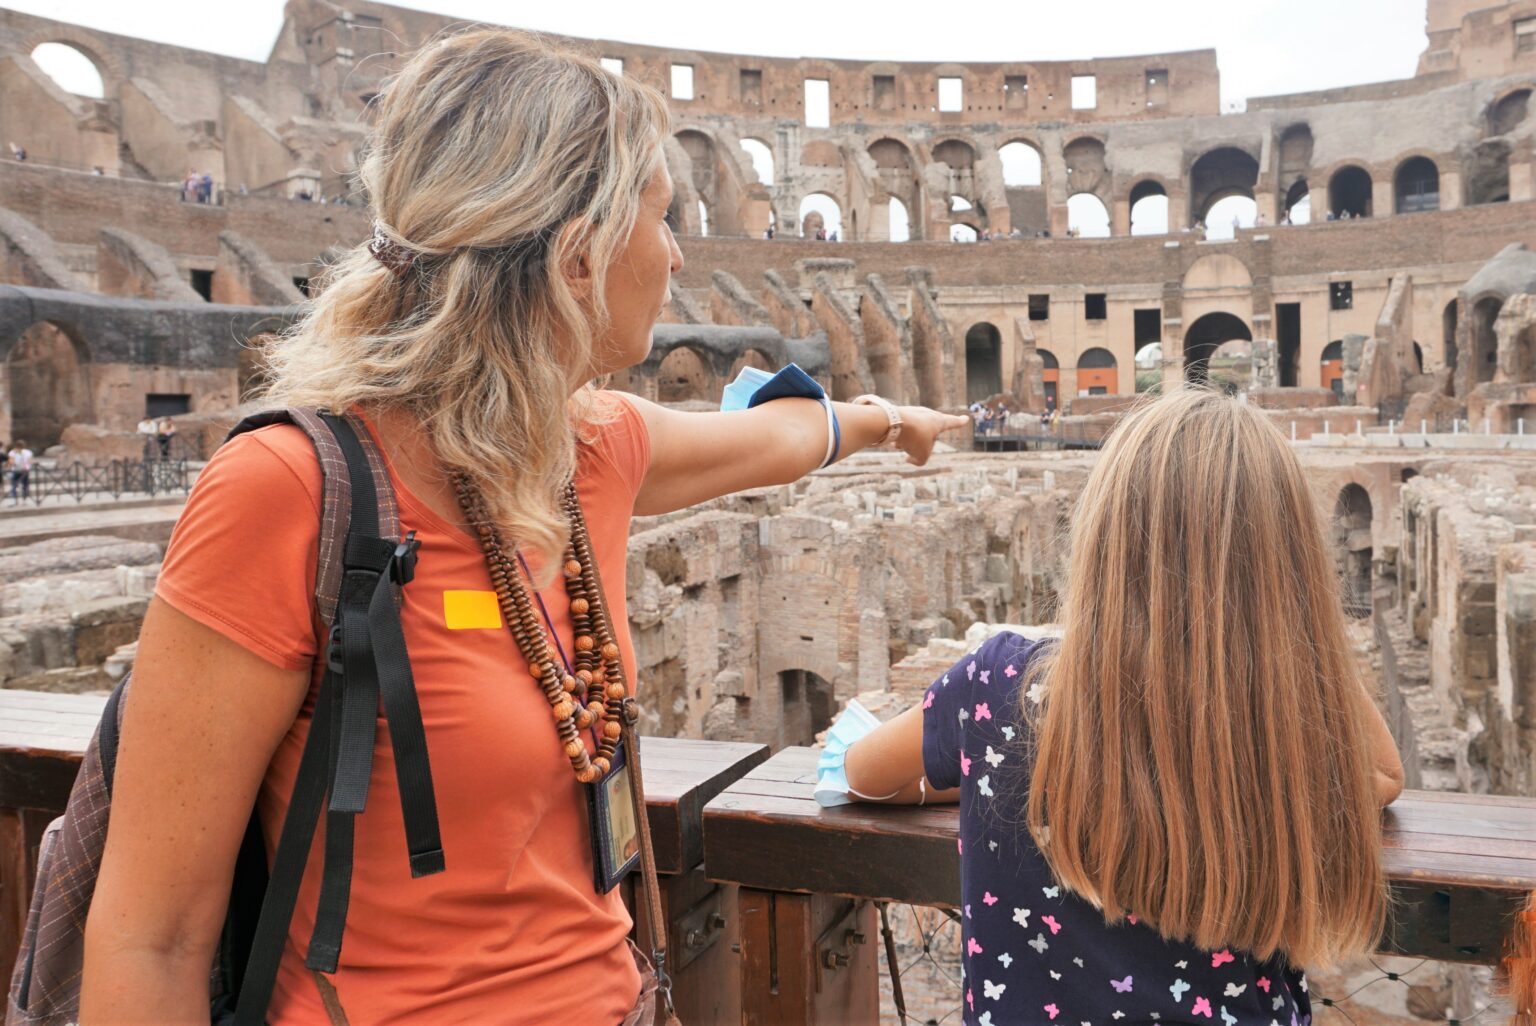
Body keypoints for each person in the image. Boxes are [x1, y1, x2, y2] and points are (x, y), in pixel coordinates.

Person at [79, 29, 965, 1026]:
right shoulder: (283, 490)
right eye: (662, 219)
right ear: (575, 249)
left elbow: (785, 436)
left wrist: (891, 423)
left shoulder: (594, 448)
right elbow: (148, 942)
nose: (677, 255)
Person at [836, 388, 1404, 1026]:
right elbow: (1383, 775)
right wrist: (1294, 622)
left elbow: (863, 772)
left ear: (1101, 538)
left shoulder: (999, 683)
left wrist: (989, 770)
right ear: (1292, 566)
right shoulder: (1274, 724)